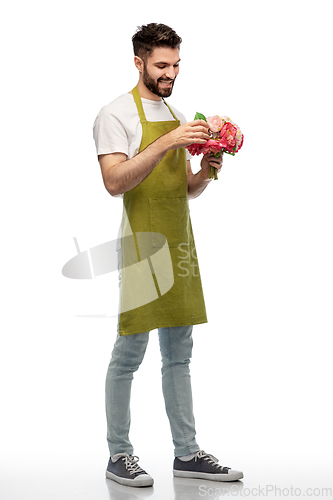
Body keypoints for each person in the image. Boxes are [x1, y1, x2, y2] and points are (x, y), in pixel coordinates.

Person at [93, 23, 243, 488]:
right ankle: (120, 454)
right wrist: (167, 142)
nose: (170, 74)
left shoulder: (178, 112)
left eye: (176, 64)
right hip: (141, 244)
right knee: (129, 352)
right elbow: (115, 182)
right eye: (161, 65)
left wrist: (202, 171)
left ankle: (187, 453)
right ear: (138, 62)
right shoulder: (115, 114)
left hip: (179, 243)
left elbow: (182, 190)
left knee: (179, 353)